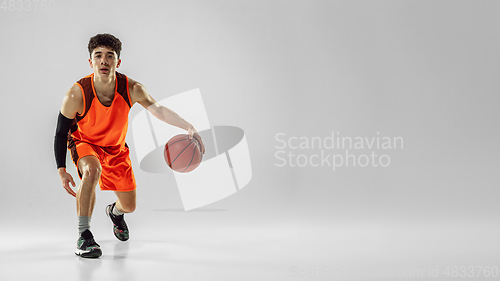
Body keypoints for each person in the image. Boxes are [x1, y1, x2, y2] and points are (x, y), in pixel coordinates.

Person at [54, 33, 205, 258]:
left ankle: (115, 213)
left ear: (118, 61)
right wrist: (61, 169)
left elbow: (158, 110)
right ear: (90, 61)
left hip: (116, 149)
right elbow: (60, 132)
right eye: (98, 56)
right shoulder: (77, 93)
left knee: (130, 205)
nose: (104, 61)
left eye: (110, 56)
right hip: (85, 142)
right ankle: (84, 236)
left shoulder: (132, 88)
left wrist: (188, 126)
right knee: (92, 170)